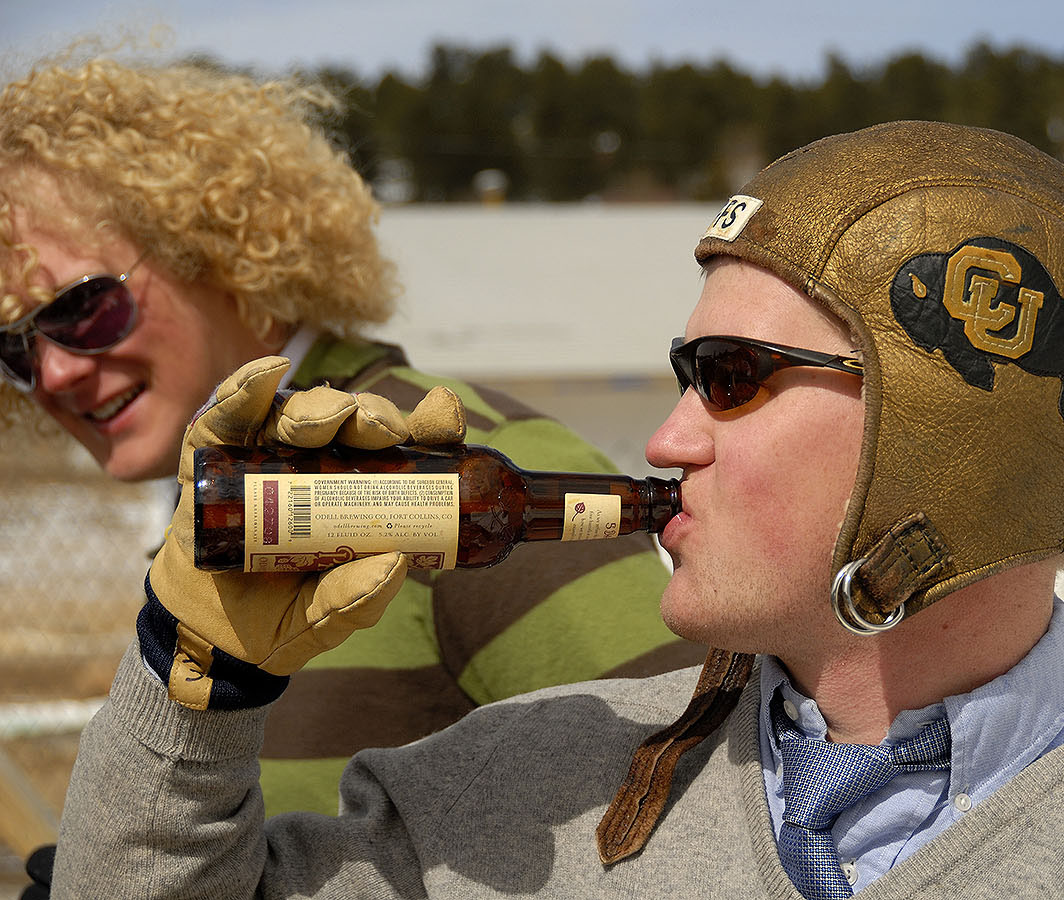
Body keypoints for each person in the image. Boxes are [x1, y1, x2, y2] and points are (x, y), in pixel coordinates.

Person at [52, 120, 1064, 898]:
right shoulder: (513, 789)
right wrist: (190, 688)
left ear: (951, 439)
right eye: (681, 373)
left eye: (732, 376)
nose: (667, 438)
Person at [0, 51, 698, 831]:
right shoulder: (223, 503)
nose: (54, 372)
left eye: (86, 309)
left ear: (221, 250)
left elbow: (695, 812)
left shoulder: (462, 476)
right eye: (17, 350)